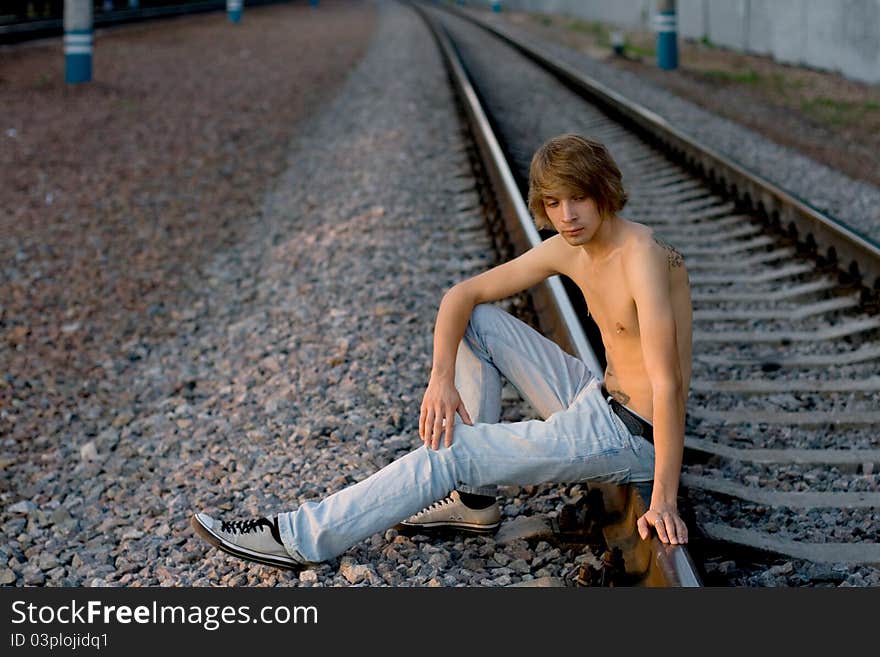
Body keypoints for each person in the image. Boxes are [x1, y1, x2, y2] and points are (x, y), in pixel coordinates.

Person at [191, 133, 692, 571]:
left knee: (450, 455)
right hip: (597, 396)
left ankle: (299, 536)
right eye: (555, 203)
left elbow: (667, 385)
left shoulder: (642, 258)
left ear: (604, 192)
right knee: (476, 321)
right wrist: (440, 378)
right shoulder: (570, 246)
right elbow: (461, 295)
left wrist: (664, 498)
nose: (568, 216)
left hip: (631, 434)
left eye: (579, 199)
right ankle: (474, 501)